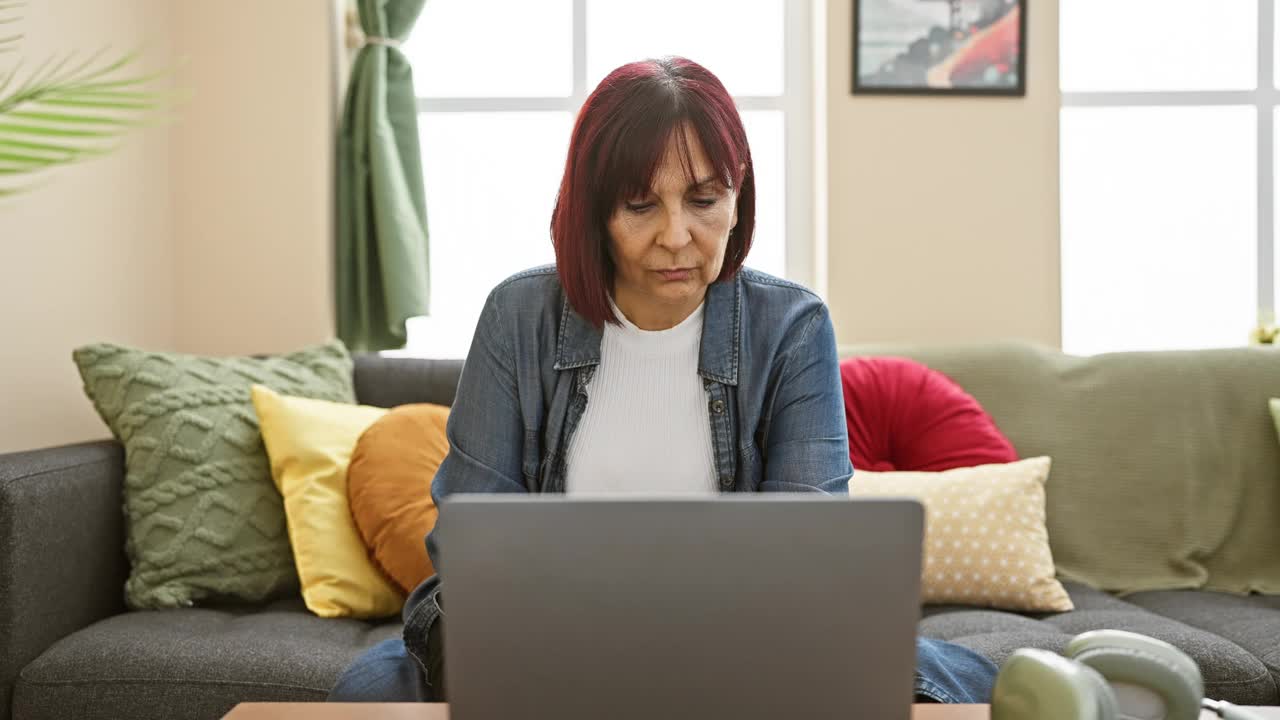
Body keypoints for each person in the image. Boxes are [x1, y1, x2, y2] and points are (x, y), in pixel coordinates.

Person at [328, 56, 998, 705]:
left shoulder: (792, 326)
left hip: (744, 640)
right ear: (594, 211)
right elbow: (468, 541)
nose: (677, 237)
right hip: (540, 637)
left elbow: (808, 556)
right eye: (641, 205)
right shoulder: (517, 315)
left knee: (949, 681)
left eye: (705, 200)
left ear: (739, 195)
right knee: (364, 692)